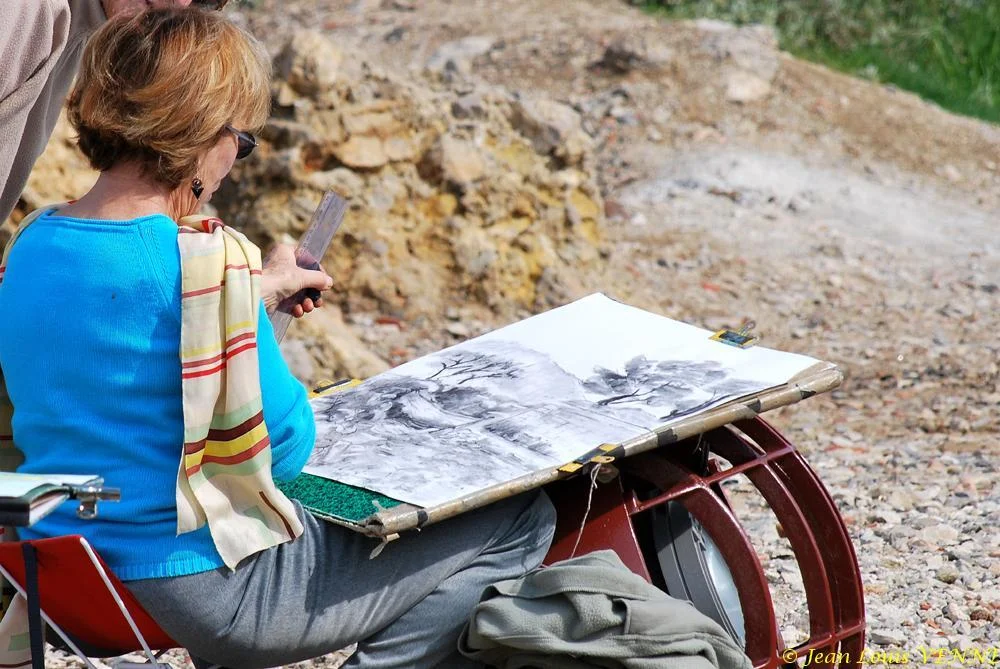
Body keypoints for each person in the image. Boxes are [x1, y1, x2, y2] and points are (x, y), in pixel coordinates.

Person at [0, 7, 555, 669]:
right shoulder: (208, 265)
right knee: (523, 519)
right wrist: (243, 305)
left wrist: (250, 297)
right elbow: (285, 450)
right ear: (203, 133)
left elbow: (122, 334)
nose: (237, 152)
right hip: (208, 590)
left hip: (69, 573)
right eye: (240, 136)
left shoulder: (35, 240)